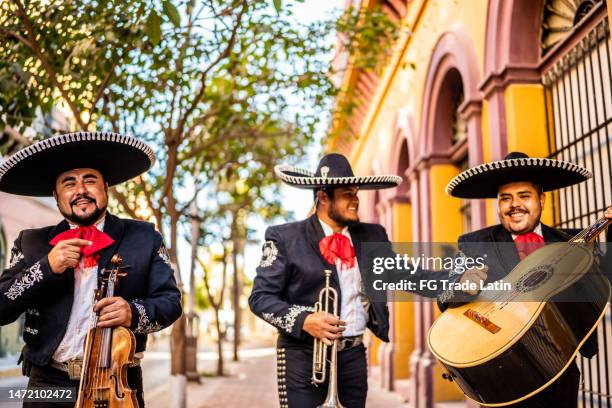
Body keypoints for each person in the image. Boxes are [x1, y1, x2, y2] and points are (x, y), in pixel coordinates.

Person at [0, 131, 183, 407]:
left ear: (105, 186)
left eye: (90, 180)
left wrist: (133, 313)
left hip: (116, 383)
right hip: (48, 384)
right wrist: (46, 267)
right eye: (69, 183)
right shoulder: (30, 242)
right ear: (56, 195)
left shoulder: (145, 237)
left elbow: (171, 304)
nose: (81, 190)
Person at [249, 153, 438, 408]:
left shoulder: (373, 235)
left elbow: (408, 274)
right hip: (302, 357)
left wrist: (459, 283)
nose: (356, 200)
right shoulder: (284, 237)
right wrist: (305, 320)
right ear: (323, 196)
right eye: (348, 194)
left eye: (356, 193)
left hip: (353, 356)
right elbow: (260, 298)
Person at [439, 151, 612, 408]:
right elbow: (444, 297)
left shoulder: (572, 242)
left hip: (559, 371)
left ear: (541, 199)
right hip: (501, 372)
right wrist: (462, 287)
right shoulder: (474, 243)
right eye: (505, 198)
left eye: (524, 196)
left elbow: (605, 279)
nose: (514, 205)